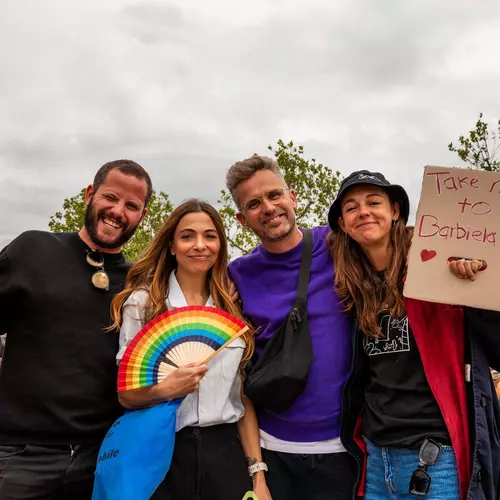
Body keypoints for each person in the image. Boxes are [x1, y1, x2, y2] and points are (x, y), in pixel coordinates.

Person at [328, 170, 500, 500]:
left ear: (395, 211)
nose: (363, 212)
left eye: (374, 202)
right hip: (376, 459)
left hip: (437, 459)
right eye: (351, 207)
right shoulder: (350, 286)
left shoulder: (440, 268)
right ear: (343, 224)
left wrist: (473, 289)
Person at [0, 159, 152, 500]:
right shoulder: (31, 250)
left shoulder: (139, 286)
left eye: (131, 206)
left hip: (101, 457)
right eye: (110, 197)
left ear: (142, 216)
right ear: (89, 195)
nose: (118, 211)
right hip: (20, 456)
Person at [111, 198, 271, 500]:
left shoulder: (233, 309)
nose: (200, 245)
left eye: (210, 236)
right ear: (172, 246)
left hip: (226, 456)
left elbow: (241, 398)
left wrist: (258, 476)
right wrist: (166, 389)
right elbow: (126, 395)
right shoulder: (143, 305)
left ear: (220, 245)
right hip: (163, 454)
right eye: (187, 236)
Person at [226, 155, 358, 500]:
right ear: (242, 219)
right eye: (254, 204)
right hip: (274, 450)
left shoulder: (340, 245)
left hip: (345, 447)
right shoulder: (237, 274)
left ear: (293, 197)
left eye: (274, 195)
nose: (268, 208)